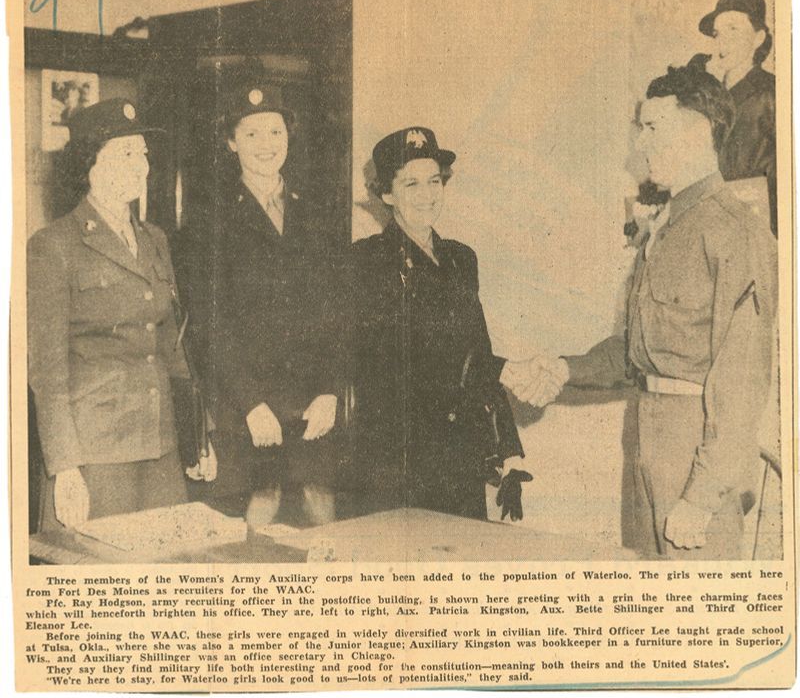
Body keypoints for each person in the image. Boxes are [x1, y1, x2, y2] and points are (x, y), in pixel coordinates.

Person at [503, 65, 777, 559]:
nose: (640, 146)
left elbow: (741, 382)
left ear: (697, 129)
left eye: (652, 129)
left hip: (696, 454)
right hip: (644, 444)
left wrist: (702, 494)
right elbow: (634, 351)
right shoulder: (666, 229)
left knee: (701, 622)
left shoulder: (737, 231)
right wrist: (565, 368)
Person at [345, 127, 528, 521]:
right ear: (387, 194)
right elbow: (416, 353)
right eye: (411, 183)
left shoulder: (461, 259)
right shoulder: (368, 261)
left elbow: (478, 349)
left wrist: (509, 450)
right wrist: (504, 369)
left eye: (434, 181)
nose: (427, 194)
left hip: (459, 456)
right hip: (397, 459)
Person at [178, 82, 340, 527]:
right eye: (251, 134)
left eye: (275, 131)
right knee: (249, 544)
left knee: (320, 538)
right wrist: (251, 403)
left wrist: (329, 390)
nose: (266, 145)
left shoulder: (317, 213)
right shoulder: (208, 219)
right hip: (245, 417)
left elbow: (335, 313)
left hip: (312, 416)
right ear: (231, 143)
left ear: (289, 136)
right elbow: (209, 326)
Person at [27, 98, 192, 531]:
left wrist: (196, 436)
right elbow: (46, 371)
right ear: (90, 166)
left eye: (143, 154)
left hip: (161, 448)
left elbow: (172, 349)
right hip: (96, 452)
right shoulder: (54, 245)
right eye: (125, 154)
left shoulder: (155, 239)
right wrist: (64, 467)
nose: (141, 166)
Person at [699, 0, 777, 235]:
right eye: (718, 33)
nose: (723, 41)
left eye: (733, 29)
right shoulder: (707, 96)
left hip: (757, 227)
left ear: (758, 38)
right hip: (710, 224)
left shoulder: (773, 92)